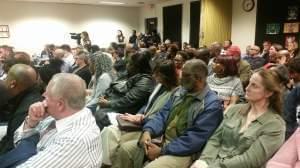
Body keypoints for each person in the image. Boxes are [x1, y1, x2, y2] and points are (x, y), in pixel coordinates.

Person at [111, 59, 223, 168]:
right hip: (163, 139)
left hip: (184, 151)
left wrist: (162, 151)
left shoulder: (211, 105)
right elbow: (162, 115)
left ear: (198, 78)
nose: (180, 77)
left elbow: (194, 139)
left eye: (184, 75)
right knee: (124, 151)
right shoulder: (180, 92)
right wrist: (148, 130)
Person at [190, 69, 286, 168]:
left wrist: (214, 166)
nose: (247, 88)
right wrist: (204, 160)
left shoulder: (275, 125)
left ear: (268, 93)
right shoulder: (234, 110)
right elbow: (215, 139)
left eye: (254, 86)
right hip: (213, 162)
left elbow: (250, 160)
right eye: (249, 83)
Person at [11, 73, 102, 167]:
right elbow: (17, 142)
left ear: (60, 105)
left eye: (46, 96)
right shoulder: (63, 114)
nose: (43, 95)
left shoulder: (73, 141)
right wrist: (31, 122)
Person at [101, 60, 178, 167]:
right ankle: (106, 164)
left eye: (158, 74)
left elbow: (162, 117)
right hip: (142, 120)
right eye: (154, 73)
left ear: (166, 76)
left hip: (151, 127)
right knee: (108, 131)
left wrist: (142, 119)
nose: (154, 76)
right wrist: (138, 114)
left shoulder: (174, 93)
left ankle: (109, 164)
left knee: (115, 138)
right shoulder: (159, 86)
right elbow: (147, 104)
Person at [94, 51, 154, 129]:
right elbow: (114, 84)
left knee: (100, 114)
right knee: (98, 109)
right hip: (117, 102)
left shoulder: (145, 81)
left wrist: (108, 103)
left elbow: (129, 100)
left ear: (137, 67)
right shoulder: (130, 74)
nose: (127, 65)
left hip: (129, 110)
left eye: (130, 63)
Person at [0, 64, 42, 155]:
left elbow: (12, 145)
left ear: (13, 84)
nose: (4, 80)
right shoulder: (32, 94)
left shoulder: (24, 112)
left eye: (6, 78)